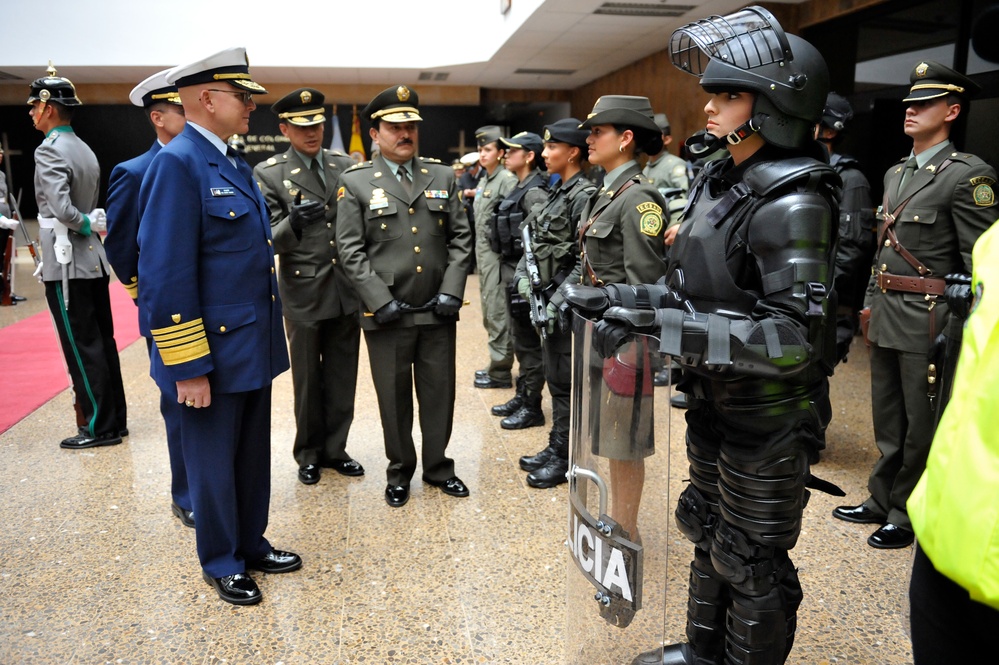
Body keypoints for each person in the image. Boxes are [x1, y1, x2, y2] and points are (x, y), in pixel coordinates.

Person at [564, 8, 840, 663]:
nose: (709, 106)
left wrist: (660, 325)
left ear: (777, 101)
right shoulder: (723, 182)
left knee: (750, 562)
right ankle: (699, 651)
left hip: (765, 417)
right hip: (716, 403)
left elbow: (790, 337)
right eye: (712, 92)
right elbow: (695, 295)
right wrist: (620, 299)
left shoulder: (793, 199)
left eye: (728, 94)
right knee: (705, 528)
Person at [138, 47, 299, 606]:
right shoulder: (177, 163)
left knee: (251, 456)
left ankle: (250, 543)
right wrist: (186, 366)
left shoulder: (231, 162)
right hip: (209, 352)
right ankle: (222, 559)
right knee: (211, 463)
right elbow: (164, 274)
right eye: (242, 95)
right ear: (206, 99)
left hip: (250, 343)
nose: (252, 104)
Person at [832, 60, 996, 550]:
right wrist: (866, 303)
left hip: (930, 319)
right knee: (887, 418)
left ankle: (907, 512)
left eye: (923, 104)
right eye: (908, 104)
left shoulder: (968, 176)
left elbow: (981, 260)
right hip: (886, 310)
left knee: (922, 423)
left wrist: (966, 326)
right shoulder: (896, 172)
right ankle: (881, 498)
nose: (910, 111)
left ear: (951, 110)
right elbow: (883, 247)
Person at [335, 85, 473, 508]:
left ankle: (438, 468)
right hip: (387, 315)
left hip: (436, 309)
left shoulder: (443, 176)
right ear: (374, 133)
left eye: (410, 126)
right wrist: (378, 299)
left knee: (439, 394)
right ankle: (399, 472)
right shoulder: (355, 183)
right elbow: (349, 250)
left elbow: (461, 239)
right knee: (393, 398)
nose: (405, 133)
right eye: (395, 127)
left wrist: (452, 290)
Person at [559, 95, 668, 524]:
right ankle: (610, 520)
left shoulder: (639, 199)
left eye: (597, 132)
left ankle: (625, 530)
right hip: (594, 334)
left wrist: (631, 346)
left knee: (623, 440)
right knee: (602, 434)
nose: (588, 139)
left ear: (625, 139)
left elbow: (644, 286)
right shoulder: (604, 193)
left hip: (623, 340)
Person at [253, 88, 364, 486]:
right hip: (303, 289)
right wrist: (293, 223)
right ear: (284, 128)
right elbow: (266, 236)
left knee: (341, 374)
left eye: (317, 124)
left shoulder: (344, 165)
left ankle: (336, 448)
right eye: (302, 126)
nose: (313, 132)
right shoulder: (270, 172)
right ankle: (308, 452)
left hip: (345, 288)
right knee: (307, 378)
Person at [104, 70, 193, 527]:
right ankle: (186, 493)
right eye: (181, 109)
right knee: (177, 401)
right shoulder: (135, 171)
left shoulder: (204, 162)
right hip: (167, 311)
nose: (189, 114)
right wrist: (149, 296)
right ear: (158, 117)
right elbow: (120, 247)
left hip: (205, 308)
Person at [28, 63, 128, 450]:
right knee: (102, 342)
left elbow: (64, 209)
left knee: (81, 347)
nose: (32, 113)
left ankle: (98, 427)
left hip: (67, 261)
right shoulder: (81, 147)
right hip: (91, 262)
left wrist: (86, 223)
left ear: (49, 107)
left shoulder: (48, 150)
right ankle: (114, 419)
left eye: (34, 106)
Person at [513, 118, 596, 488]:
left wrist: (558, 301)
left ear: (572, 152)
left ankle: (566, 457)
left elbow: (584, 258)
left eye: (551, 148)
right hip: (544, 301)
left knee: (567, 384)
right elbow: (535, 241)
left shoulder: (583, 195)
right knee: (556, 380)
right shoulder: (559, 190)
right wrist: (523, 281)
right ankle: (557, 446)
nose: (544, 154)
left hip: (563, 307)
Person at [488, 131, 548, 430]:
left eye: (513, 151)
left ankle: (531, 404)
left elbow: (539, 239)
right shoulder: (520, 187)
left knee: (528, 344)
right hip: (510, 272)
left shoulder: (535, 191)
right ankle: (522, 395)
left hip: (523, 276)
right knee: (518, 339)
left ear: (529, 156)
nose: (506, 155)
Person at [816, 92, 875, 362]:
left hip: (827, 307)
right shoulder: (804, 171)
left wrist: (813, 290)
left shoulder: (850, 179)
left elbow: (851, 248)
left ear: (828, 131)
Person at [471, 125, 518, 389]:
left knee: (498, 311)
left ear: (501, 152)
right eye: (480, 149)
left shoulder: (506, 180)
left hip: (498, 257)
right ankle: (495, 362)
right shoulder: (485, 179)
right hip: (484, 255)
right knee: (489, 311)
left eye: (487, 149)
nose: (482, 154)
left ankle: (500, 371)